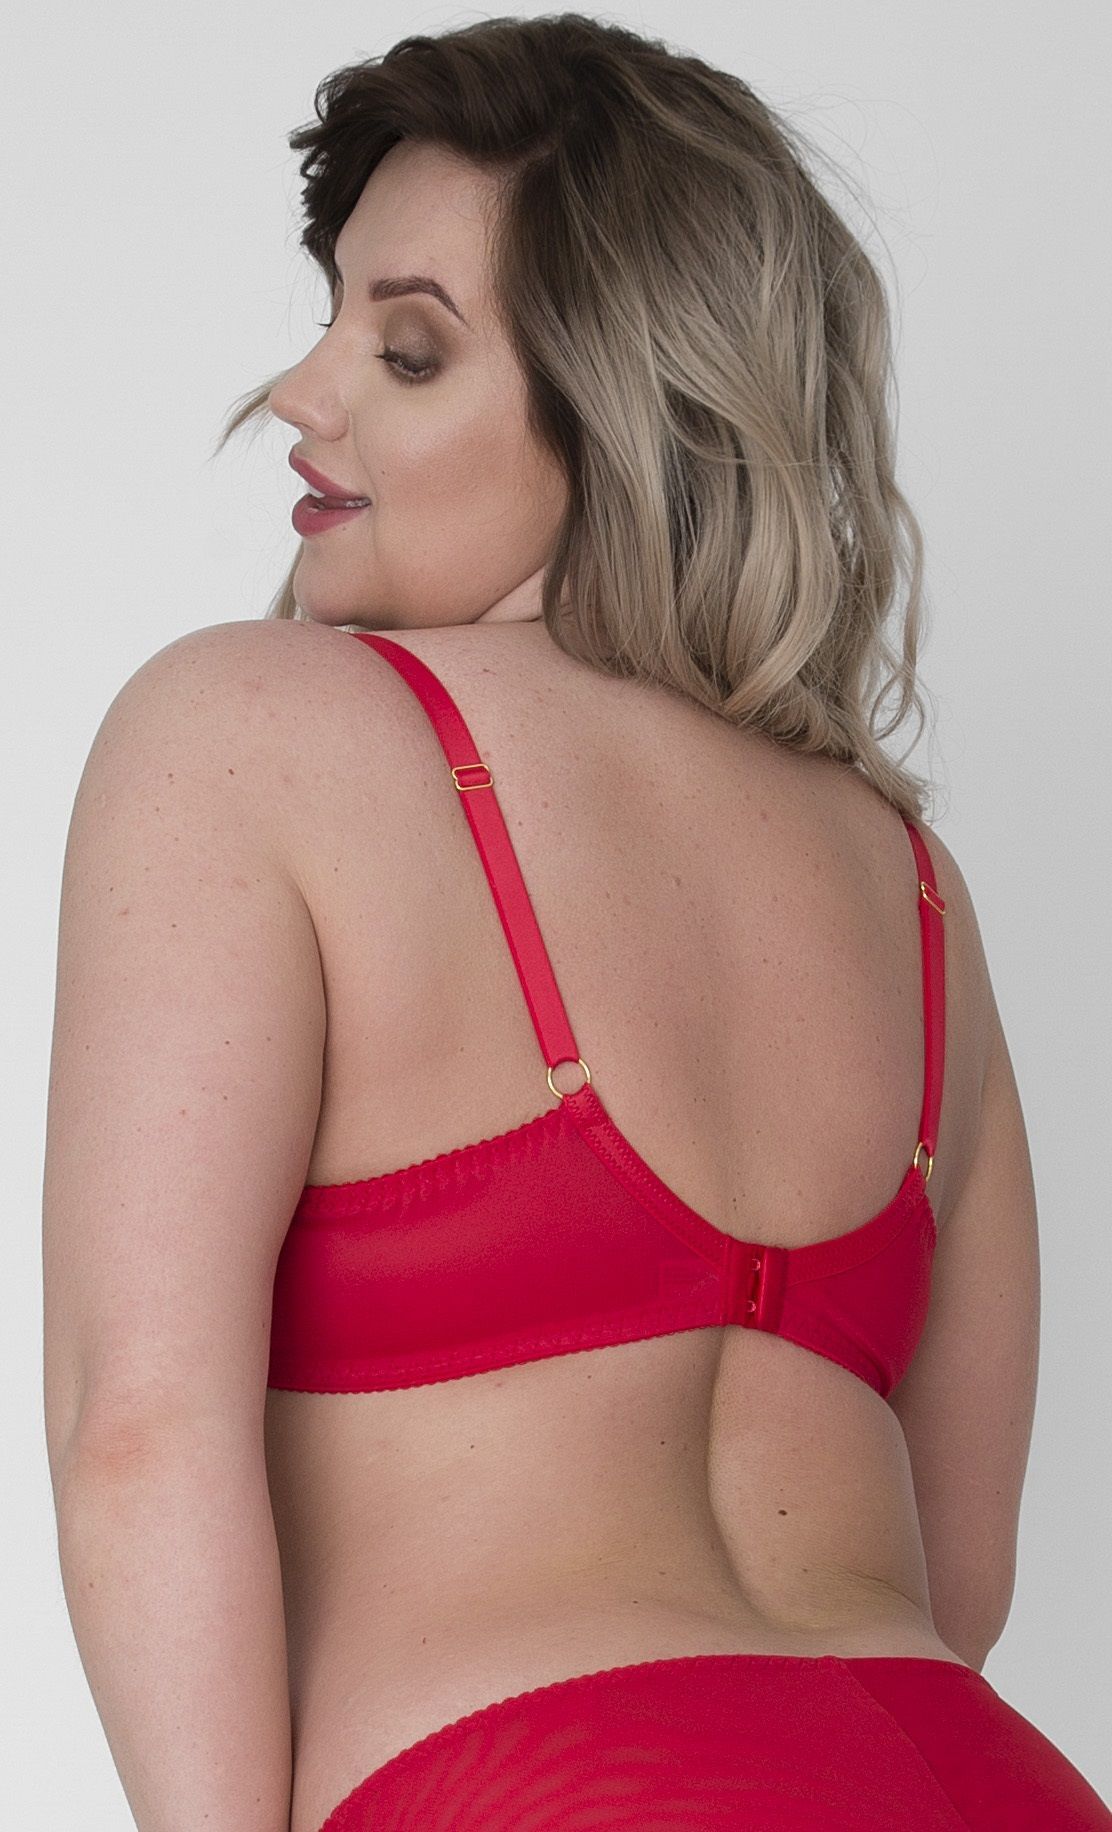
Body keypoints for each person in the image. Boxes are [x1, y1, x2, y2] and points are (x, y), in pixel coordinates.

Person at [42, 14, 1110, 1831]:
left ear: (625, 405)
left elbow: (138, 1439)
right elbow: (964, 1568)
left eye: (405, 350)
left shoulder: (245, 734)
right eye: (330, 318)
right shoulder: (912, 884)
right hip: (973, 1778)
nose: (302, 393)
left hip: (558, 1784)